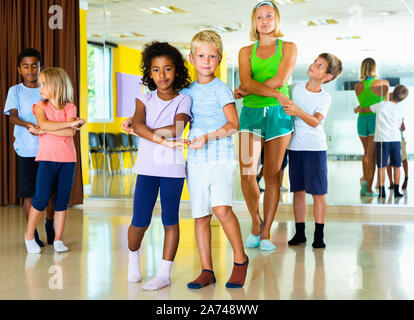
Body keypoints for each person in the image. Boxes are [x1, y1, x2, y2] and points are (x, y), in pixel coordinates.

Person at [121, 41, 192, 291]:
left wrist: (146, 130)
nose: (162, 75)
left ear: (177, 71)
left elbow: (180, 128)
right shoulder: (144, 98)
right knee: (139, 221)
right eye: (156, 70)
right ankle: (133, 259)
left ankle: (164, 273)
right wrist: (161, 138)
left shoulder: (184, 99)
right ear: (149, 73)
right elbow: (138, 125)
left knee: (170, 220)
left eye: (168, 69)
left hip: (172, 169)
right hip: (148, 169)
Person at [182, 30, 248, 289]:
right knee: (200, 215)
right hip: (196, 159)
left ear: (219, 59)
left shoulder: (221, 89)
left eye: (212, 56)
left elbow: (234, 125)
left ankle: (240, 260)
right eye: (201, 55)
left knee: (221, 209)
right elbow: (170, 116)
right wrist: (136, 121)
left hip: (220, 157)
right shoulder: (186, 91)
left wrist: (208, 137)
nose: (206, 60)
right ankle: (207, 270)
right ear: (191, 58)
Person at [234, 0, 296, 251]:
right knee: (248, 173)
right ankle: (256, 221)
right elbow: (246, 83)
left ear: (277, 20)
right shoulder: (245, 52)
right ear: (254, 22)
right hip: (251, 115)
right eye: (260, 17)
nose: (265, 21)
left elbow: (280, 78)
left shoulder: (289, 47)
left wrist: (248, 88)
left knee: (272, 176)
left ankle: (267, 232)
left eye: (269, 16)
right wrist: (255, 89)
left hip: (279, 118)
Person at [284, 53, 343, 249]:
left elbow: (316, 121)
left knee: (318, 193)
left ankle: (319, 235)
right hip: (295, 147)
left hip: (315, 149)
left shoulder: (325, 98)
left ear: (327, 77)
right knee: (298, 192)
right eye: (315, 62)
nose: (314, 65)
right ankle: (299, 233)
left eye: (320, 66)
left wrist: (297, 111)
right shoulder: (295, 88)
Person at [24, 67, 85, 254]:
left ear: (57, 86)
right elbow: (44, 123)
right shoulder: (39, 106)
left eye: (44, 84)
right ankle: (29, 237)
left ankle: (58, 239)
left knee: (62, 201)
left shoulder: (70, 107)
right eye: (39, 84)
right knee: (41, 199)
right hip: (47, 159)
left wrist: (46, 131)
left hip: (68, 161)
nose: (40, 87)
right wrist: (69, 123)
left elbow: (69, 133)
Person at [4, 48, 56, 247]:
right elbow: (13, 117)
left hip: (49, 148)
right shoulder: (15, 91)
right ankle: (32, 233)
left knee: (49, 193)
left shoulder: (48, 88)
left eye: (34, 65)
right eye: (25, 66)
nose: (30, 70)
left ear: (40, 67)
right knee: (29, 194)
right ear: (19, 69)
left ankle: (50, 224)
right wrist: (28, 125)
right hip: (25, 150)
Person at [355, 85, 409, 199]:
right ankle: (396, 190)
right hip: (396, 140)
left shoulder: (381, 105)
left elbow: (367, 109)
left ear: (392, 93)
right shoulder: (399, 110)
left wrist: (358, 109)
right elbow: (400, 126)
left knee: (382, 166)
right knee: (397, 166)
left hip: (382, 140)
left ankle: (382, 191)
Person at [354, 58, 389, 197]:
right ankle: (367, 188)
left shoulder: (357, 86)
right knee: (371, 156)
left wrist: (359, 109)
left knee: (366, 154)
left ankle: (365, 180)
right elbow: (385, 106)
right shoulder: (383, 83)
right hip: (376, 121)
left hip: (362, 121)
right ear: (375, 67)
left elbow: (362, 107)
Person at [387, 119, 408, 190]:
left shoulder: (397, 112)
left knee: (403, 159)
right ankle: (391, 182)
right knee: (389, 162)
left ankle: (405, 178)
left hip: (398, 139)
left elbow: (403, 128)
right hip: (389, 139)